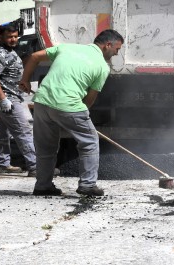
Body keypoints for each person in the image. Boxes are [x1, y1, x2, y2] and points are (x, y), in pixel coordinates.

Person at [19, 29, 124, 197]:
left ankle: (42, 186)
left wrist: (24, 79)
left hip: (42, 102)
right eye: (117, 49)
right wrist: (79, 119)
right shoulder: (102, 67)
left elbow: (34, 57)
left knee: (46, 147)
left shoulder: (67, 48)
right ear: (107, 45)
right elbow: (89, 100)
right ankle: (88, 185)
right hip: (69, 104)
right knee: (90, 141)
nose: (116, 53)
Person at [0, 23, 37, 176]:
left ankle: (2, 164)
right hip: (7, 98)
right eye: (9, 37)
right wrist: (3, 99)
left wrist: (21, 83)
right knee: (24, 130)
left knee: (3, 131)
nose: (13, 39)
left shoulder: (10, 51)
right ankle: (35, 166)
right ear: (0, 36)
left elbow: (8, 75)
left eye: (15, 36)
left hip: (12, 94)